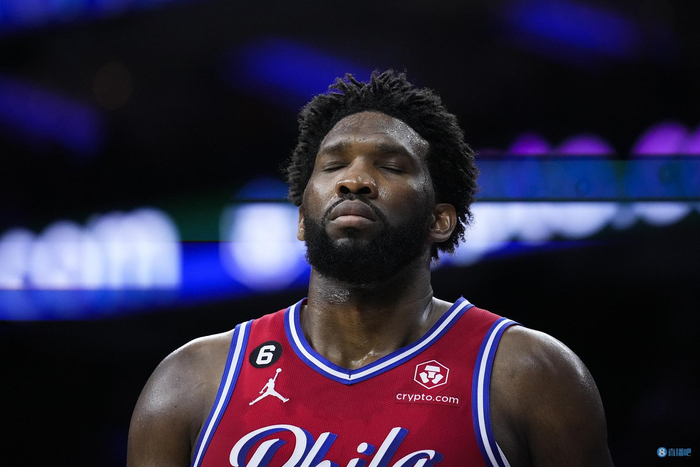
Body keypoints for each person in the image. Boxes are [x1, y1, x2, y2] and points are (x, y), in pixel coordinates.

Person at [127, 70, 614, 467]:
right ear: (302, 219)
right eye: (333, 166)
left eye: (391, 166)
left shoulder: (530, 374)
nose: (354, 180)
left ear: (440, 220)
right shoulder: (189, 382)